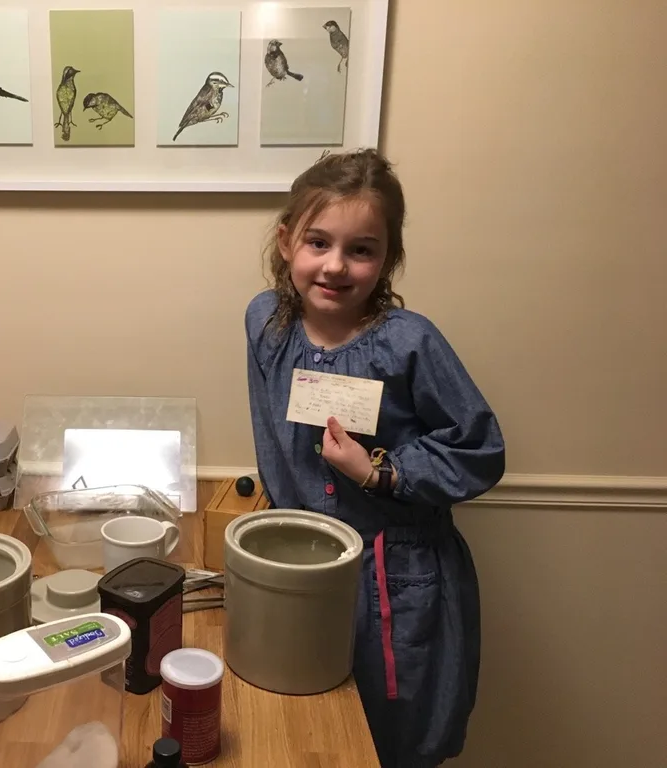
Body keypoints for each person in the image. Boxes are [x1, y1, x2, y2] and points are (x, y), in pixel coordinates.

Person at [244, 149, 505, 767]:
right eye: (318, 242)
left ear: (387, 258)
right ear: (286, 242)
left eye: (361, 249)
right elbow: (271, 433)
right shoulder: (267, 324)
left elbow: (480, 449)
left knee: (391, 740)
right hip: (301, 565)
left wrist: (380, 472)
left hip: (397, 583)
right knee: (302, 727)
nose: (335, 265)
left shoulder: (409, 343)